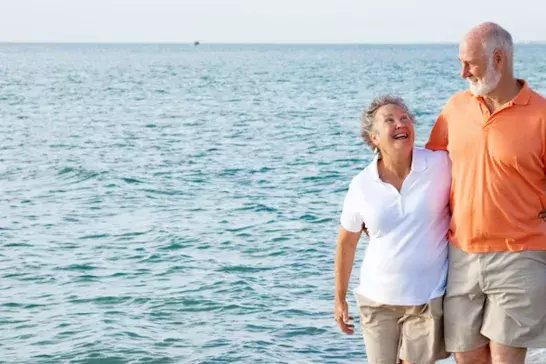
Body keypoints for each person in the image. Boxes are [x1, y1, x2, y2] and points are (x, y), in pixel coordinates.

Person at [426, 22, 546, 364]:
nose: (462, 72)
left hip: (520, 255)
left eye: (470, 63)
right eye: (461, 62)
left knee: (506, 357)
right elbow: (431, 168)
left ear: (498, 59)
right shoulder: (455, 108)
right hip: (461, 254)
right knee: (466, 354)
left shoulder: (541, 114)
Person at [334, 95, 451, 364]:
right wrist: (339, 299)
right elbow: (346, 243)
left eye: (405, 118)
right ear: (374, 138)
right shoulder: (362, 184)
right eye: (390, 120)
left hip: (425, 299)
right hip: (376, 301)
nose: (401, 124)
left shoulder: (440, 165)